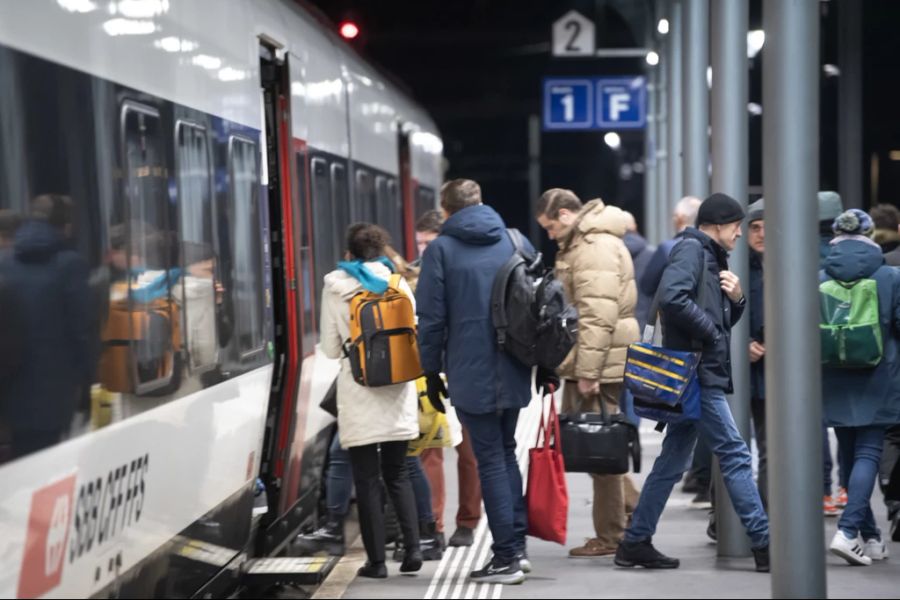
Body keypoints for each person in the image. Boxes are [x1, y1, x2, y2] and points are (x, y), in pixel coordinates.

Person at [615, 193, 770, 573]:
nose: (739, 234)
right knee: (734, 455)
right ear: (718, 225)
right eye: (737, 226)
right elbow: (672, 299)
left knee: (672, 461)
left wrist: (736, 300)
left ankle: (635, 541)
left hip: (696, 371)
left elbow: (716, 320)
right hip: (697, 374)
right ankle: (765, 543)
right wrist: (711, 335)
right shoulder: (691, 251)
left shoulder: (708, 256)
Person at [417, 179, 533, 585]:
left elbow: (431, 320)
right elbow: (540, 305)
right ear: (481, 202)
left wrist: (429, 372)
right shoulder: (516, 241)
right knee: (504, 450)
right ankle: (516, 547)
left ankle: (505, 559)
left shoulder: (441, 251)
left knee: (491, 459)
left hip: (471, 368)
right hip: (516, 366)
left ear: (446, 210)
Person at [535, 188, 641, 557]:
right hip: (598, 355)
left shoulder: (592, 247)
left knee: (600, 449)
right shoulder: (587, 241)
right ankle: (636, 509)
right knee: (600, 445)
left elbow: (597, 315)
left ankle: (611, 536)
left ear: (565, 214)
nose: (549, 235)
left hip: (598, 358)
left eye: (550, 227)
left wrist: (589, 371)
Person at [319, 223, 422, 578]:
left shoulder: (335, 287)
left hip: (359, 390)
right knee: (399, 473)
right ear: (381, 251)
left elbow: (332, 349)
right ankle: (412, 551)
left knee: (366, 478)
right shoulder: (398, 283)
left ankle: (376, 562)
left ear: (349, 253)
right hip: (397, 388)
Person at [820, 209, 900, 565]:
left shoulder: (820, 276)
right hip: (879, 375)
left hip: (833, 374)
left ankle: (871, 537)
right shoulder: (890, 276)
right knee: (868, 452)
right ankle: (849, 530)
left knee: (850, 455)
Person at [1, 194, 92, 459]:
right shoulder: (70, 265)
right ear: (65, 226)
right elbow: (81, 330)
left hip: (11, 395)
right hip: (55, 393)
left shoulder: (6, 264)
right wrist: (88, 381)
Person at [639, 196, 712, 504]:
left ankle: (638, 534)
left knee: (681, 444)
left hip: (679, 356)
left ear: (680, 218)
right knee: (730, 448)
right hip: (702, 359)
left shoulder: (672, 248)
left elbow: (650, 288)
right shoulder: (708, 252)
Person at [622, 210, 655, 331]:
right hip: (646, 325)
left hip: (618, 328)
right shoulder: (652, 254)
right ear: (635, 226)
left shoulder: (609, 255)